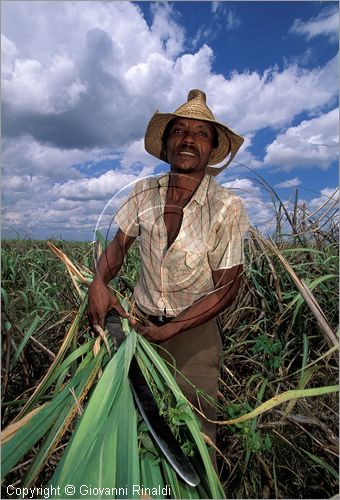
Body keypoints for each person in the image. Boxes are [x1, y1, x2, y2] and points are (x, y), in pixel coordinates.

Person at [88, 89, 249, 446]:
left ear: (211, 149)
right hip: (140, 327)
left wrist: (171, 329)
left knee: (193, 437)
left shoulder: (227, 207)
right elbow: (117, 248)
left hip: (195, 339)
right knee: (138, 427)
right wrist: (98, 282)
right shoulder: (143, 192)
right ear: (166, 144)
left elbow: (227, 288)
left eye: (201, 133)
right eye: (179, 131)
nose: (189, 139)